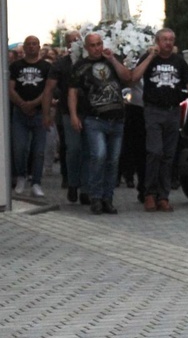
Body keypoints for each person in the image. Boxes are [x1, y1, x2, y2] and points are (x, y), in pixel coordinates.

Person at [131, 28, 188, 212]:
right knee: (154, 152)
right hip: (153, 110)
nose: (168, 43)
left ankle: (163, 196)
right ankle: (149, 194)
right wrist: (149, 57)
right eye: (164, 39)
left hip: (172, 111)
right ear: (157, 41)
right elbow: (134, 77)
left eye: (171, 39)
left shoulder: (179, 61)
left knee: (169, 155)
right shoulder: (149, 57)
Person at [68, 33, 133, 215]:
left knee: (113, 161)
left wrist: (112, 58)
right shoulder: (80, 66)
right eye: (93, 45)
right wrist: (73, 115)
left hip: (117, 119)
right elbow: (72, 92)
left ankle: (107, 199)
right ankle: (95, 197)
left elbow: (127, 77)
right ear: (87, 47)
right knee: (98, 156)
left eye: (99, 44)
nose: (97, 48)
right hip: (94, 119)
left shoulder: (112, 60)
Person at [43, 30, 91, 204]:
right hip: (67, 111)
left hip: (90, 112)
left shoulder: (90, 62)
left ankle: (85, 189)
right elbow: (49, 88)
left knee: (88, 150)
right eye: (71, 41)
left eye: (78, 40)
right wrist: (47, 113)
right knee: (74, 148)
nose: (75, 43)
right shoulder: (61, 64)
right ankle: (72, 182)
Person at [9, 35, 51, 197]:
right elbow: (10, 88)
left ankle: (36, 182)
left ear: (39, 47)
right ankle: (21, 176)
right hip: (20, 113)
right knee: (19, 148)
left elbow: (47, 90)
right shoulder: (15, 66)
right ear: (24, 47)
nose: (32, 47)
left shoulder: (46, 67)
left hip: (40, 113)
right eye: (29, 44)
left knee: (39, 150)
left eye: (35, 44)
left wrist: (34, 104)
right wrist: (22, 104)